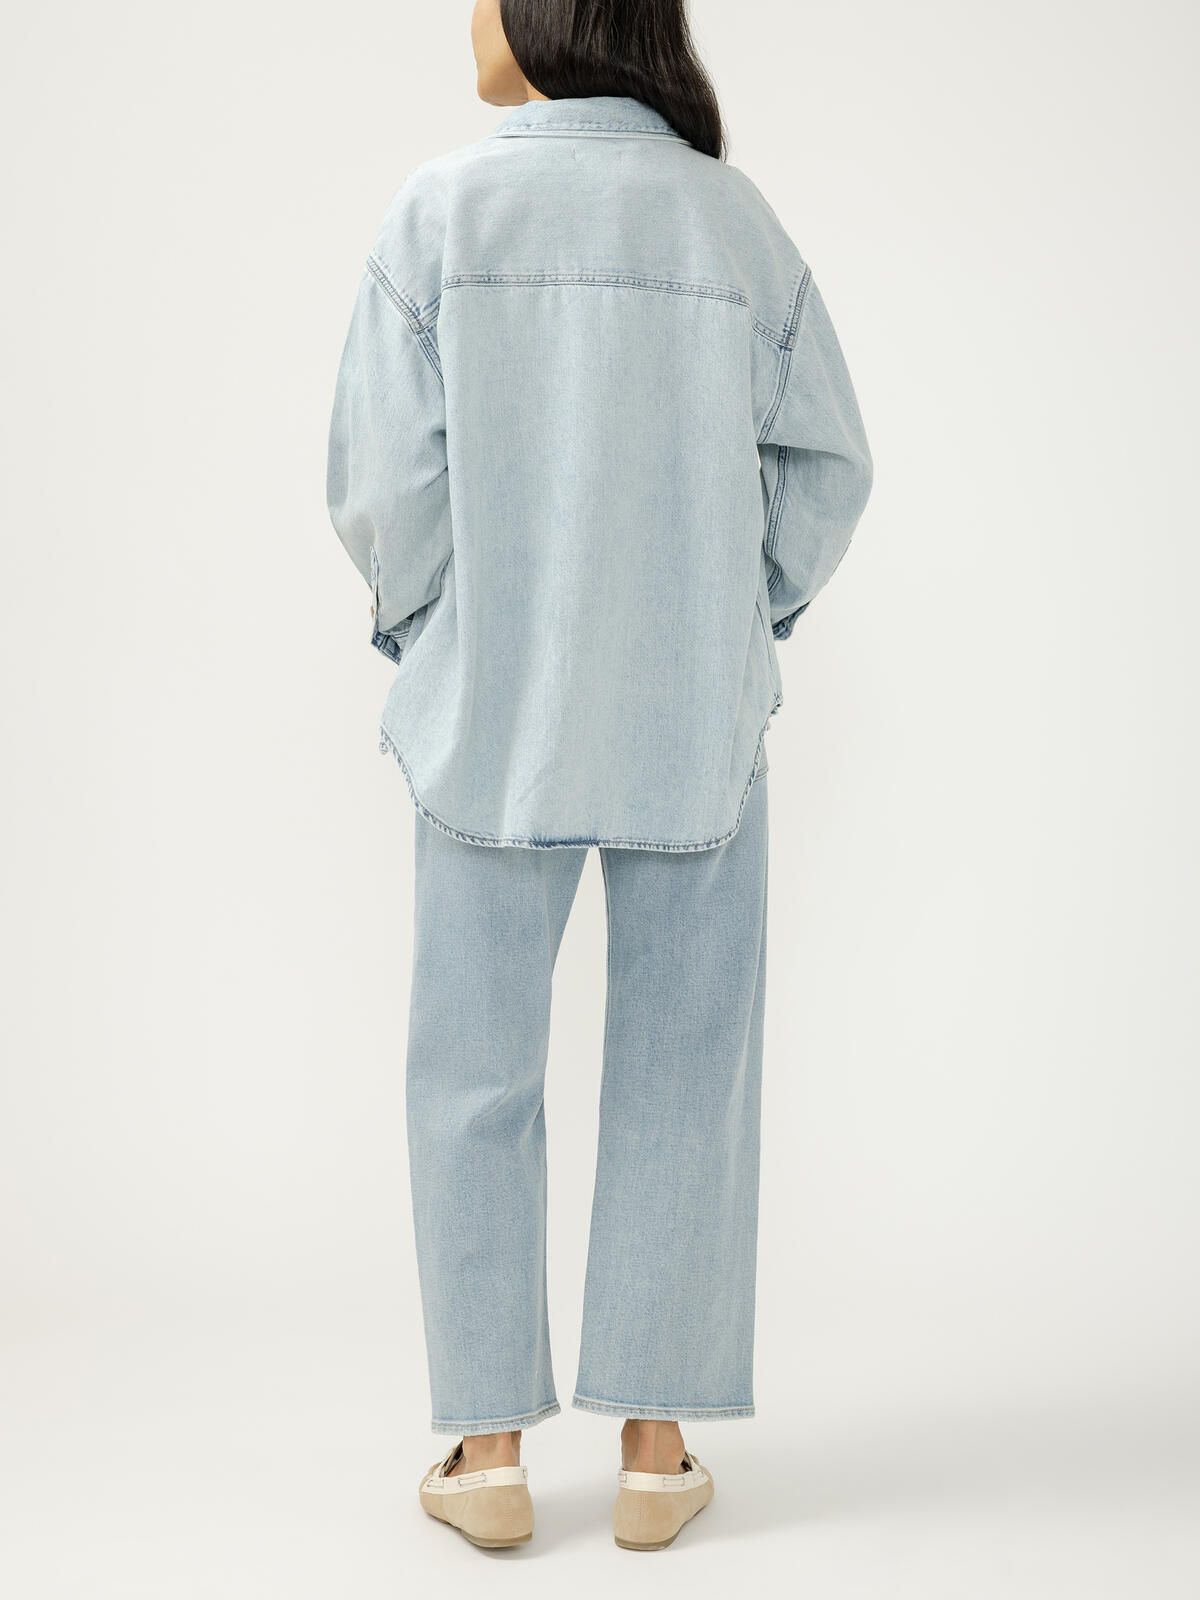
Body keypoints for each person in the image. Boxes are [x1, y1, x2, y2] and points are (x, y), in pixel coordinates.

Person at [325, 0, 873, 1553]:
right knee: (686, 1065)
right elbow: (830, 467)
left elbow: (378, 484)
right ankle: (654, 1449)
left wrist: (439, 628)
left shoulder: (441, 212)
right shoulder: (729, 219)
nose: (468, 14)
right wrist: (740, 614)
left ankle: (488, 1452)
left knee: (470, 1071)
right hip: (690, 716)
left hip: (487, 719)